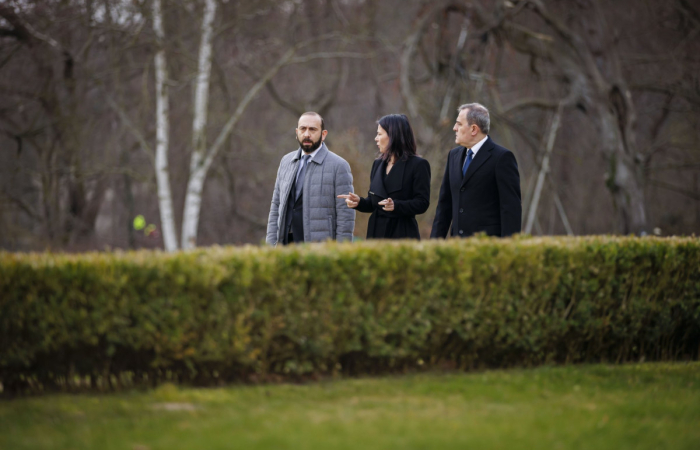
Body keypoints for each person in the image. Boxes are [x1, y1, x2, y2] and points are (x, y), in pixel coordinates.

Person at [430, 103, 521, 238]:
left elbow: (510, 210)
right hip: (456, 247)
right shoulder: (453, 156)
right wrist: (434, 245)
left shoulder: (502, 158)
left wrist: (507, 251)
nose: (454, 128)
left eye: (459, 124)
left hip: (487, 248)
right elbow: (444, 206)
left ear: (473, 129)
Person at [266, 112, 355, 245]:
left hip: (319, 250)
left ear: (323, 134)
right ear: (297, 132)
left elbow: (345, 216)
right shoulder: (286, 161)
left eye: (312, 129)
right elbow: (276, 206)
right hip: (284, 246)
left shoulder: (339, 166)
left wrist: (341, 252)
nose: (307, 134)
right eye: (303, 129)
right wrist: (270, 245)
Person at [338, 114, 430, 239]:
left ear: (393, 136)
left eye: (380, 134)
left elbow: (422, 203)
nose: (376, 138)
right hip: (376, 233)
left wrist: (396, 206)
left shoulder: (418, 165)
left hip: (402, 235)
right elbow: (374, 203)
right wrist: (359, 202)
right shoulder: (378, 164)